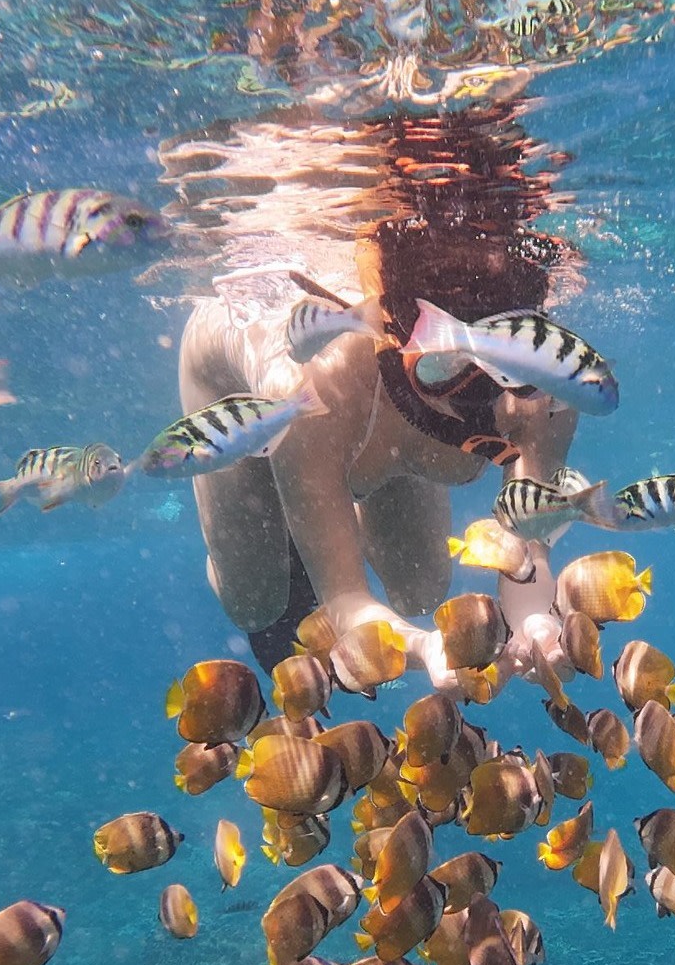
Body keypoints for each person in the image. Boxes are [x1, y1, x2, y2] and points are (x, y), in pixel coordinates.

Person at [168, 103, 586, 687]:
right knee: (256, 601)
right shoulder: (320, 384)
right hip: (244, 388)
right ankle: (305, 516)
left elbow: (528, 555)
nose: (477, 394)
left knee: (422, 590)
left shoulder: (552, 387)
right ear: (396, 337)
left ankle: (325, 508)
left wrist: (536, 625)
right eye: (446, 362)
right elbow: (345, 602)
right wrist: (424, 651)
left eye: (503, 363)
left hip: (366, 435)